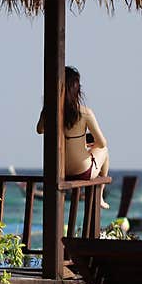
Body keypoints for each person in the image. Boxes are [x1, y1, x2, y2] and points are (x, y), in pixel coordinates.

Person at [36, 65, 110, 208]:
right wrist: (89, 146)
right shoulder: (85, 113)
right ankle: (100, 196)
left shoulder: (50, 110)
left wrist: (46, 108)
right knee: (105, 151)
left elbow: (40, 129)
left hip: (59, 170)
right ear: (76, 90)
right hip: (81, 171)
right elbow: (101, 143)